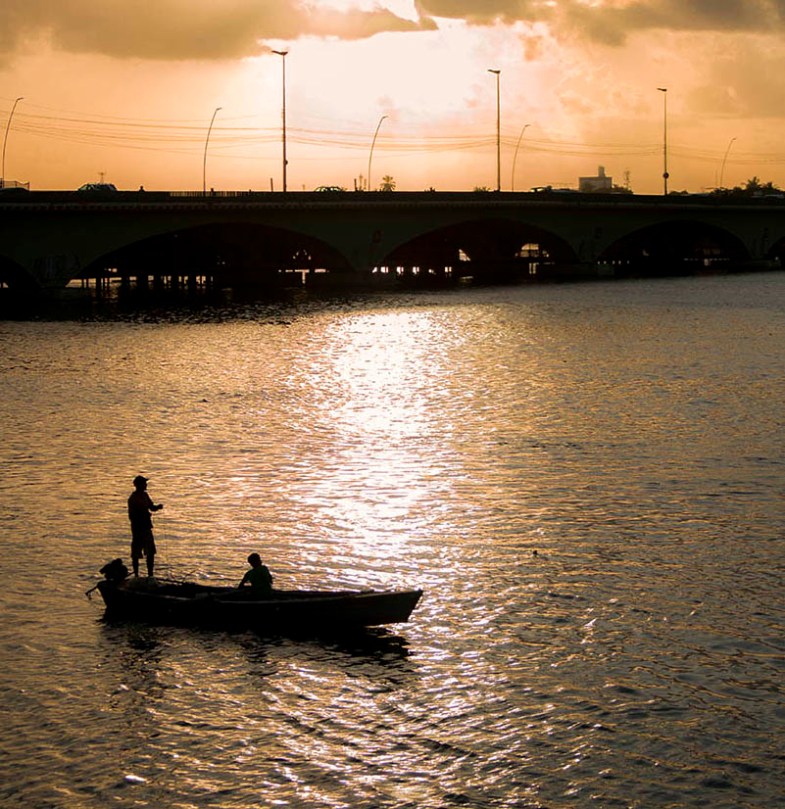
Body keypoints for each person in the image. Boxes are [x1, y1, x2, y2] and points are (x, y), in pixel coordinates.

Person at [127, 475, 163, 577]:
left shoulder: (145, 495)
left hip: (147, 527)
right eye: (144, 483)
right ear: (138, 485)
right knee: (136, 553)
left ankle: (150, 575)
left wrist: (158, 507)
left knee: (150, 552)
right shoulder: (133, 498)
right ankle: (136, 575)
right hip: (138, 529)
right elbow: (132, 516)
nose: (146, 485)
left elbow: (151, 507)